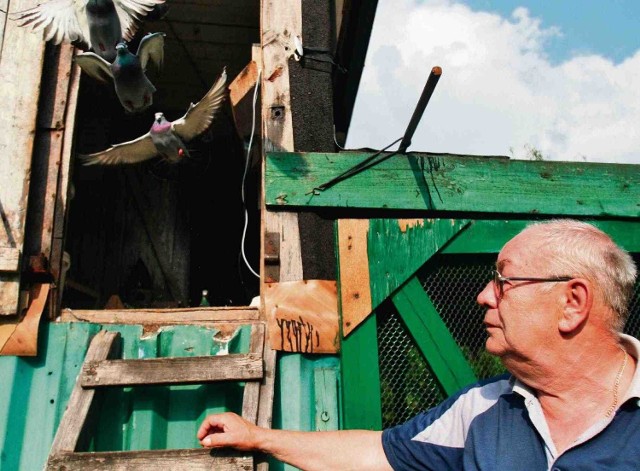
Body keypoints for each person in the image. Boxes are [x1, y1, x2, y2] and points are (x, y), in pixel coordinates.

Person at [197, 219, 640, 470]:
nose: (485, 295)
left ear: (572, 303)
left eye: (504, 281)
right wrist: (259, 437)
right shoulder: (482, 407)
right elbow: (376, 454)